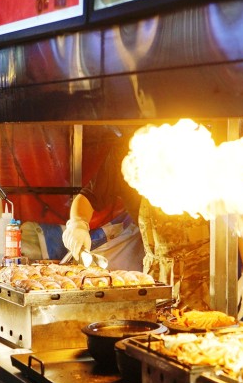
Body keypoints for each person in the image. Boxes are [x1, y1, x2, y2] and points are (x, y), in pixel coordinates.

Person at [61, 127, 215, 311]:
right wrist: (78, 224)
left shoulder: (198, 141)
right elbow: (88, 197)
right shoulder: (129, 149)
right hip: (155, 273)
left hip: (203, 275)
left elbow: (238, 206)